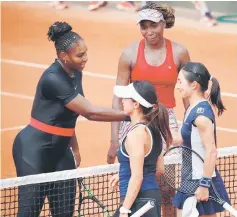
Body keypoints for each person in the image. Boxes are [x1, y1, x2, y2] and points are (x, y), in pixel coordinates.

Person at [12, 21, 129, 217]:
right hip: (33, 152)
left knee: (64, 212)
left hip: (61, 151)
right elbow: (89, 112)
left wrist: (74, 149)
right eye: (80, 55)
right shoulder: (53, 78)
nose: (85, 58)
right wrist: (131, 114)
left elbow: (69, 115)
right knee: (29, 212)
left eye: (86, 53)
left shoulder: (76, 73)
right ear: (63, 56)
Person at [108, 2, 191, 216]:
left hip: (166, 120)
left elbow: (187, 94)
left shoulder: (180, 53)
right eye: (143, 26)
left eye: (153, 25)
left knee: (166, 186)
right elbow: (118, 99)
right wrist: (114, 139)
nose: (148, 31)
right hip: (134, 121)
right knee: (130, 176)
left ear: (163, 24)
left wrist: (188, 129)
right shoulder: (129, 54)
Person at [109, 80, 173, 217]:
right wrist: (124, 173)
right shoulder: (154, 129)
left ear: (136, 104)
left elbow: (137, 177)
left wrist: (125, 210)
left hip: (138, 202)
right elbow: (159, 168)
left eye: (126, 98)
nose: (122, 101)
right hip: (151, 199)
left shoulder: (136, 134)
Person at [174, 62, 230, 217]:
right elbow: (180, 139)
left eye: (180, 81)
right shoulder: (192, 108)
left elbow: (211, 151)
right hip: (192, 177)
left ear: (194, 85)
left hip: (199, 180)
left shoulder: (201, 116)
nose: (177, 86)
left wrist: (204, 185)